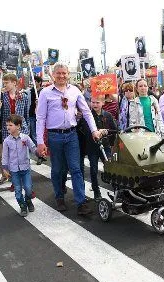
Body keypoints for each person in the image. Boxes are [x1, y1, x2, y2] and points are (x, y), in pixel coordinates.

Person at [36, 62, 101, 215]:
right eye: (58, 73)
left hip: (72, 135)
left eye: (64, 73)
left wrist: (94, 130)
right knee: (58, 169)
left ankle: (81, 202)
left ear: (68, 75)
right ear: (53, 75)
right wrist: (40, 142)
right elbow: (40, 118)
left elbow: (86, 112)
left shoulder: (75, 90)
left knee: (76, 169)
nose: (61, 76)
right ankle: (59, 197)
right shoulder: (45, 93)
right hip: (54, 136)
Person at [0, 73, 30, 184]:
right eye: (3, 83)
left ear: (14, 83)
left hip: (20, 129)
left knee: (21, 155)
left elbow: (25, 114)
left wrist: (26, 129)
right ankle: (5, 175)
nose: (4, 85)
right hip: (7, 130)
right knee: (6, 155)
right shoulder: (1, 96)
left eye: (6, 83)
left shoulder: (23, 96)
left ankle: (20, 176)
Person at [80, 95, 117, 200]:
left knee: (110, 168)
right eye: (93, 102)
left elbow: (115, 129)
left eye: (97, 102)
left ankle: (116, 190)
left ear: (103, 103)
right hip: (92, 147)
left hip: (105, 146)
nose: (95, 104)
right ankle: (96, 191)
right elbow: (85, 130)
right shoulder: (87, 115)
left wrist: (106, 131)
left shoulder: (108, 115)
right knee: (93, 169)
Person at [2, 114, 38, 217]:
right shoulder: (7, 141)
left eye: (10, 125)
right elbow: (5, 156)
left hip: (25, 168)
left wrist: (39, 153)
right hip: (14, 170)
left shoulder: (25, 138)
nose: (8, 127)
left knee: (28, 187)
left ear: (18, 126)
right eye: (7, 125)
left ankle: (28, 200)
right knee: (17, 190)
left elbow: (33, 148)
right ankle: (22, 206)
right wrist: (5, 168)